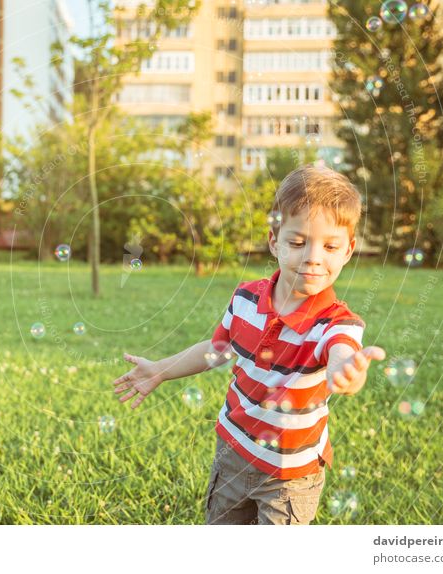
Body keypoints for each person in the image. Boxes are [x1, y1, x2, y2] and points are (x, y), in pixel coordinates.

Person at [111, 165, 386, 525]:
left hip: (289, 478)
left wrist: (345, 373)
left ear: (348, 250)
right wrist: (160, 370)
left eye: (330, 246)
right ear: (274, 241)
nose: (313, 257)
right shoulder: (245, 298)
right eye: (298, 242)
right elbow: (216, 350)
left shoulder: (336, 323)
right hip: (232, 453)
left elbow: (342, 351)